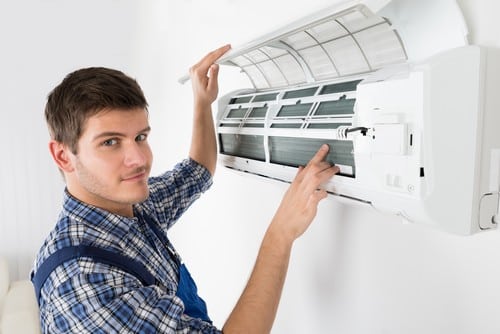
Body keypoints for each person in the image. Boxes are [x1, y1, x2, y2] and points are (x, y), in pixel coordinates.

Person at [31, 44, 340, 333]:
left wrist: (202, 102)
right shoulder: (85, 287)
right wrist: (281, 234)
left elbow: (197, 172)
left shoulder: (130, 208)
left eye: (140, 137)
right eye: (110, 142)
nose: (139, 160)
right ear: (63, 155)